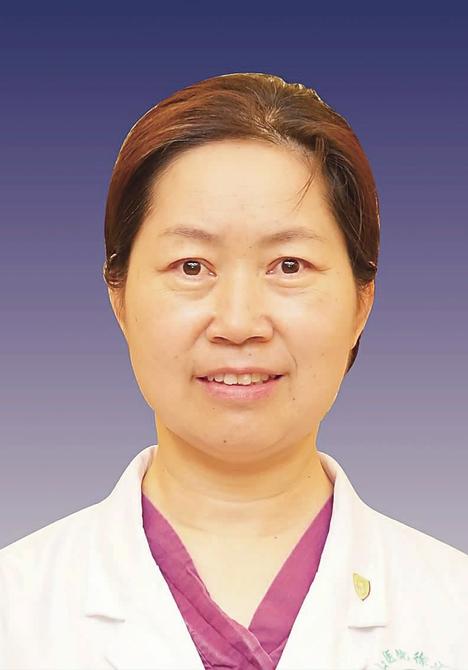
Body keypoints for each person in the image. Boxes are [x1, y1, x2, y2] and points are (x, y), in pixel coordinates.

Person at [0, 72, 467, 670]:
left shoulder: (454, 612)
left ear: (362, 303)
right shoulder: (16, 610)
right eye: (191, 266)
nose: (240, 322)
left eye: (289, 265)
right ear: (119, 297)